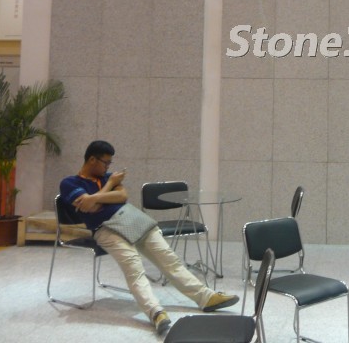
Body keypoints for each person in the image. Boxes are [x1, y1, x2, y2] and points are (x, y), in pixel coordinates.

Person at [59, 140, 239, 335]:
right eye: (106, 162)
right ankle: (156, 313)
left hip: (132, 218)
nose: (108, 167)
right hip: (105, 228)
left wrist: (93, 196)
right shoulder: (70, 183)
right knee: (133, 267)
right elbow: (91, 208)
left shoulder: (108, 177)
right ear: (92, 160)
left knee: (169, 259)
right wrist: (108, 187)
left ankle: (206, 298)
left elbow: (121, 197)